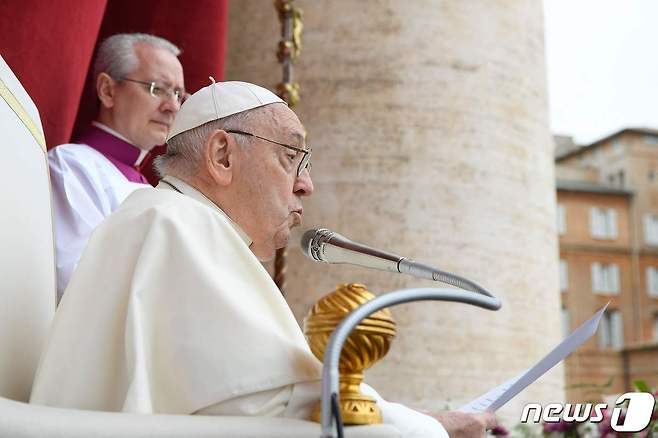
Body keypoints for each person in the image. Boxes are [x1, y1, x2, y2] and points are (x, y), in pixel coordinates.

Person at [31, 81, 497, 437]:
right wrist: (432, 427)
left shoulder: (172, 221)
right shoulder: (177, 227)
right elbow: (285, 411)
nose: (305, 185)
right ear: (221, 156)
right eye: (292, 155)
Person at [48, 33, 185, 301]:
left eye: (179, 93)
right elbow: (78, 282)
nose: (173, 107)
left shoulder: (154, 188)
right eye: (157, 88)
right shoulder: (73, 166)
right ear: (108, 91)